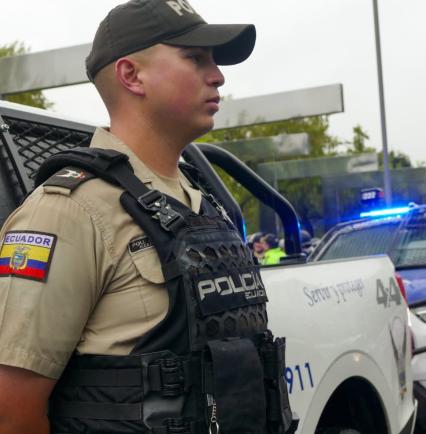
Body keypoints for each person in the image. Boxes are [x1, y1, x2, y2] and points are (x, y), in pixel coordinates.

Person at [0, 1, 294, 433]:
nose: (217, 75)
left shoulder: (202, 204)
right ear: (131, 75)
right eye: (196, 58)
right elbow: (12, 411)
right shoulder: (68, 211)